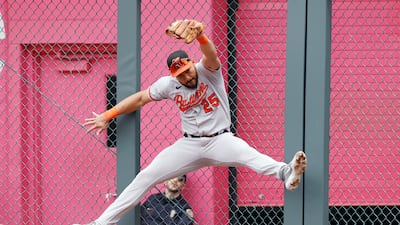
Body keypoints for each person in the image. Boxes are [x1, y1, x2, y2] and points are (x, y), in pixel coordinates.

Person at [77, 19, 307, 225]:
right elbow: (140, 98)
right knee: (146, 177)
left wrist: (200, 36)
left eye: (187, 70)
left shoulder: (207, 71)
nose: (187, 77)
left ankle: (287, 172)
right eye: (181, 75)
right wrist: (107, 116)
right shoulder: (167, 85)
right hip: (189, 145)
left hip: (220, 139)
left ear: (190, 64)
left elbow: (211, 54)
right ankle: (102, 222)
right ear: (173, 75)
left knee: (250, 156)